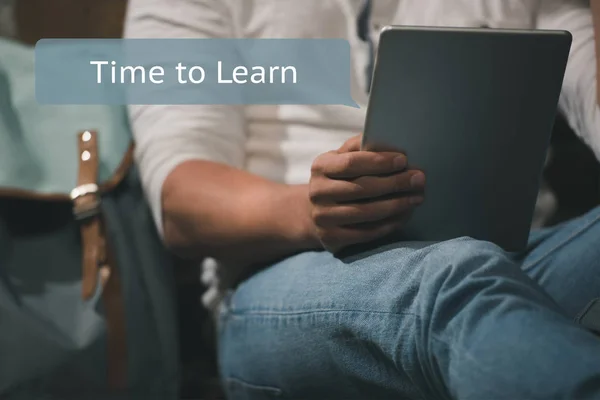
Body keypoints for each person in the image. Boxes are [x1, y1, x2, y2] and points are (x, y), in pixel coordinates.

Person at [124, 0, 600, 398]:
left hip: (517, 252)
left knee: (465, 272)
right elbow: (182, 200)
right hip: (283, 274)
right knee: (450, 274)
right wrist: (308, 212)